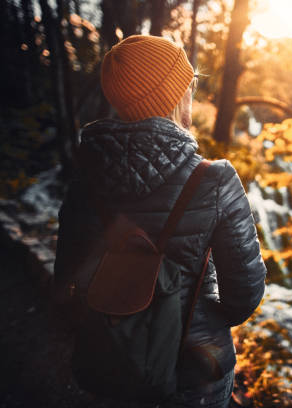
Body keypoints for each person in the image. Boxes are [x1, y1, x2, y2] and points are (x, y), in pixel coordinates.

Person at [54, 35, 267, 407]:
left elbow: (67, 282)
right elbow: (245, 293)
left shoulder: (84, 179)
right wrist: (203, 321)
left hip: (113, 362)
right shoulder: (214, 179)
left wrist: (118, 323)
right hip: (196, 372)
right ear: (175, 96)